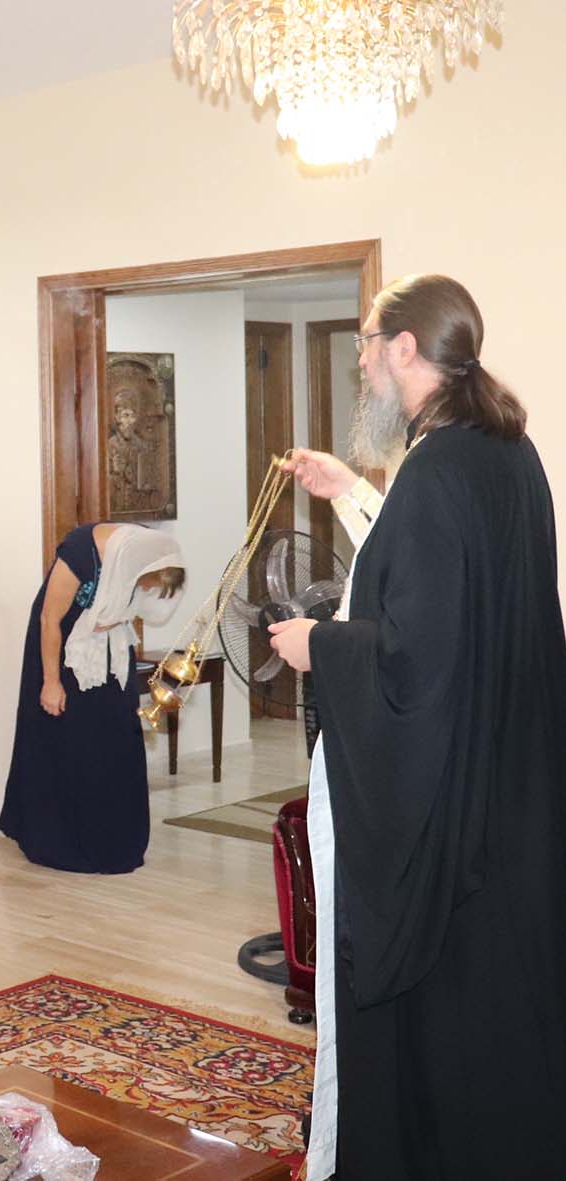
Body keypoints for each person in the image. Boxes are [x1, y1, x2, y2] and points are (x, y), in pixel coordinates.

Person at [266, 275, 566, 1179]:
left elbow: (416, 658)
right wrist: (352, 491)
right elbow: (444, 583)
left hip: (449, 806)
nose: (360, 361)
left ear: (405, 348)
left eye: (367, 342)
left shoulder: (438, 468)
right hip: (506, 780)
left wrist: (320, 644)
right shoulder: (505, 451)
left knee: (448, 1024)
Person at [0, 523, 184, 874]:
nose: (145, 590)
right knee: (70, 740)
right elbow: (49, 619)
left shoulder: (143, 548)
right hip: (61, 651)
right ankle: (62, 840)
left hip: (109, 651)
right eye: (146, 584)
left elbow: (134, 607)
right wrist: (51, 683)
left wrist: (115, 618)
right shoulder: (80, 552)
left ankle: (114, 839)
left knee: (118, 734)